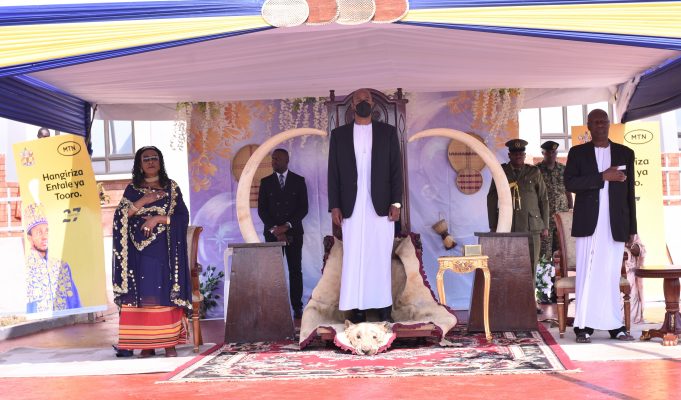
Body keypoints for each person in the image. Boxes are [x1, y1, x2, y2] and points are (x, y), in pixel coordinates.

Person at [328, 88, 403, 324]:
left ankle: (383, 307)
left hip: (381, 206)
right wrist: (334, 206)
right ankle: (357, 309)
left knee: (380, 255)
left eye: (367, 99)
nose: (363, 102)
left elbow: (396, 170)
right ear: (352, 105)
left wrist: (396, 202)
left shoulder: (387, 133)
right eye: (358, 100)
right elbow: (333, 172)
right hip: (350, 206)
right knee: (354, 256)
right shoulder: (339, 135)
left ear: (373, 104)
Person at [564, 109, 637, 343]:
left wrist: (632, 229)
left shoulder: (625, 153)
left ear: (608, 124)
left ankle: (615, 325)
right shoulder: (577, 153)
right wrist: (602, 177)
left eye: (603, 121)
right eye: (595, 122)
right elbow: (570, 183)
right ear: (588, 126)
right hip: (588, 223)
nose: (600, 125)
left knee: (610, 274)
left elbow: (630, 193)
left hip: (615, 223)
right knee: (587, 273)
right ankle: (583, 326)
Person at [112, 146, 191, 357]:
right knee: (142, 293)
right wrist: (144, 201)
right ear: (139, 164)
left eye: (154, 158)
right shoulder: (132, 189)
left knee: (162, 290)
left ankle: (169, 343)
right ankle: (146, 344)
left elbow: (182, 217)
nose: (150, 162)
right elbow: (120, 216)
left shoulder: (171, 187)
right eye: (146, 159)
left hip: (163, 250)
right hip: (137, 252)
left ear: (160, 161)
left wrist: (157, 219)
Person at [487, 139, 550, 281]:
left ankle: (530, 295)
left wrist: (545, 226)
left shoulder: (534, 172)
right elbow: (492, 198)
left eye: (521, 154)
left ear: (524, 155)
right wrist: (493, 225)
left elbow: (543, 199)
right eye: (515, 154)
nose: (518, 156)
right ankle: (512, 294)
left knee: (531, 264)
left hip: (531, 226)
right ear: (509, 155)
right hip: (508, 225)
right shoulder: (501, 172)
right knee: (508, 264)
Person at [257, 148, 308, 319]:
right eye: (273, 159)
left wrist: (286, 226)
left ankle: (297, 307)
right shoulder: (265, 182)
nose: (273, 162)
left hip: (294, 233)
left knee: (295, 270)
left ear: (287, 160)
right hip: (272, 234)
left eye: (277, 159)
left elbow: (303, 208)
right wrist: (275, 229)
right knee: (273, 273)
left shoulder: (298, 181)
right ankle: (275, 307)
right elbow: (262, 210)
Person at [23, 202, 81, 313]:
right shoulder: (26, 268)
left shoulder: (62, 266)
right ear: (30, 237)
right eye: (39, 232)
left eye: (47, 231)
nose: (44, 236)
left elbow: (75, 303)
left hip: (66, 322)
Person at [536, 140, 573, 261]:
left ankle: (561, 272)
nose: (551, 155)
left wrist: (570, 209)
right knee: (544, 253)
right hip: (544, 217)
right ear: (543, 153)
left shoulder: (564, 169)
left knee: (562, 250)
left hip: (561, 215)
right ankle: (545, 273)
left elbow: (568, 191)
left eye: (554, 152)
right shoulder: (536, 170)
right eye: (548, 152)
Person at [624, 234, 646, 324]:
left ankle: (630, 317)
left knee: (630, 281)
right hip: (612, 272)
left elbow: (641, 249)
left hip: (630, 273)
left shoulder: (631, 232)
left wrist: (636, 248)